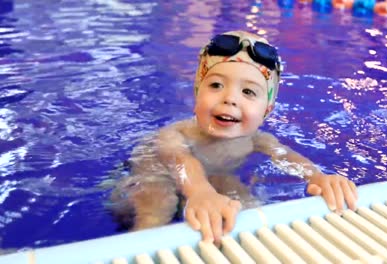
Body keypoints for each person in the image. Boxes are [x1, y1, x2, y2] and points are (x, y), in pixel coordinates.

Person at [111, 30, 358, 244]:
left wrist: (317, 176)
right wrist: (199, 192)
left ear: (266, 111)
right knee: (159, 201)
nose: (230, 98)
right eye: (216, 85)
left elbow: (285, 155)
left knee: (239, 199)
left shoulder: (256, 139)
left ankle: (249, 246)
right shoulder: (176, 133)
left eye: (248, 91)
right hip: (150, 182)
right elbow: (180, 160)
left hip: (209, 185)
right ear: (198, 93)